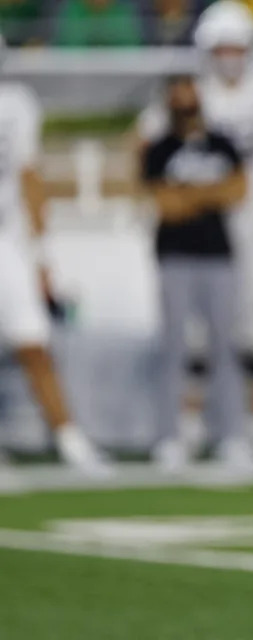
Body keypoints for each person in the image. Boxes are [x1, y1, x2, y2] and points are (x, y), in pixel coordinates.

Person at [137, 0, 253, 451]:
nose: (230, 55)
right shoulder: (192, 96)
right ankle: (190, 421)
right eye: (222, 47)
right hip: (204, 229)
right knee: (197, 335)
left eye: (236, 46)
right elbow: (148, 145)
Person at [0, 32, 110, 475]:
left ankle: (70, 441)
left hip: (6, 240)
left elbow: (29, 177)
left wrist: (41, 254)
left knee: (34, 343)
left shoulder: (17, 103)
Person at [141, 75, 249, 471]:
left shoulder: (222, 143)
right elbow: (165, 204)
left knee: (225, 346)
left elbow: (238, 191)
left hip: (218, 255)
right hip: (175, 255)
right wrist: (209, 192)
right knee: (173, 347)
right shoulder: (159, 148)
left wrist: (189, 192)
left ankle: (232, 435)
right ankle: (169, 437)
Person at [53, 0, 143, 47]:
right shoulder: (71, 10)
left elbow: (130, 50)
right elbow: (69, 48)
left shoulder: (123, 11)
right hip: (77, 76)